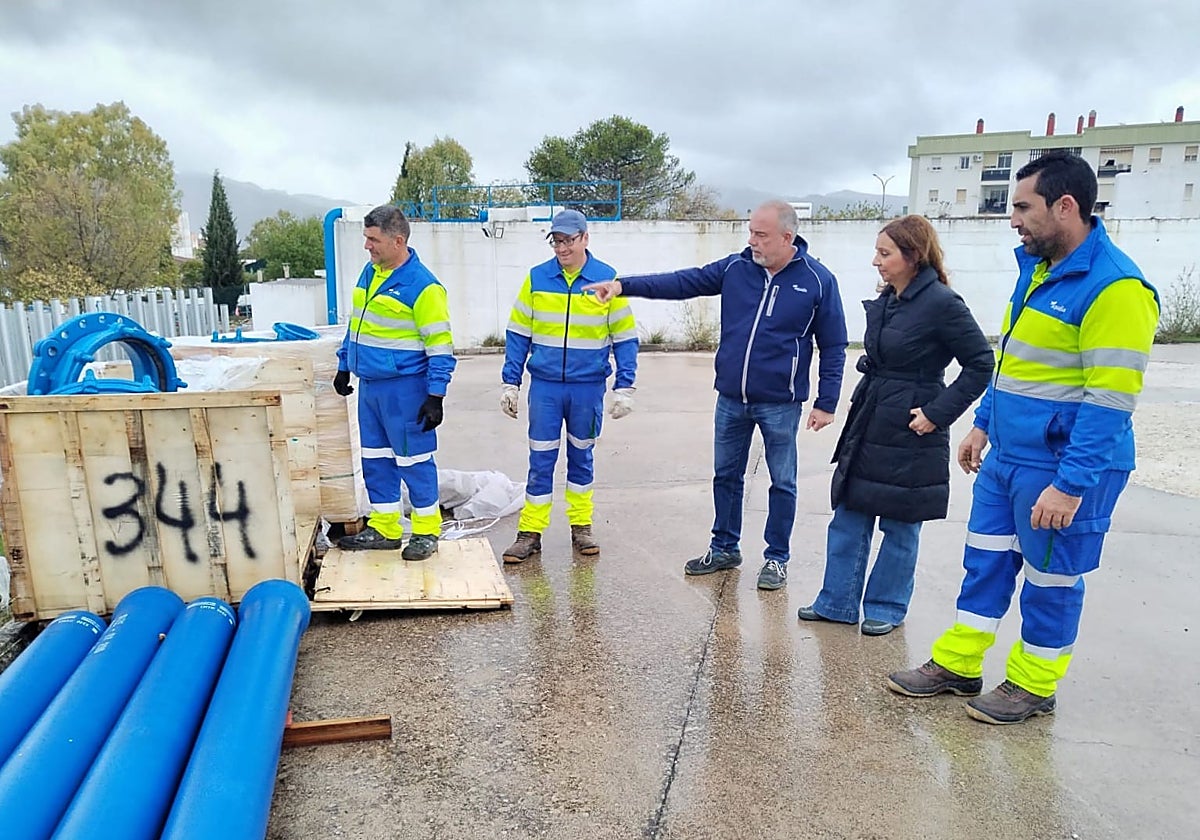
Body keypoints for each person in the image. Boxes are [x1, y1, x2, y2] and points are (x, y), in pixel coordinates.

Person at [887, 151, 1159, 724]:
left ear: (1065, 207)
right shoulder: (1037, 270)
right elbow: (1012, 362)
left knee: (1051, 578)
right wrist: (983, 423)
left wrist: (1070, 486)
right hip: (1011, 454)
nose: (1012, 219)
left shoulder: (1116, 288)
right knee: (984, 561)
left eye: (1022, 207)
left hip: (1065, 465)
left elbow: (1110, 401)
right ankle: (959, 665)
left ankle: (1034, 685)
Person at [585, 199, 848, 590]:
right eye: (751, 232)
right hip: (731, 399)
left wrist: (826, 402)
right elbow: (682, 282)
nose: (752, 241)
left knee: (783, 482)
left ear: (787, 237)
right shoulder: (736, 268)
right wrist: (623, 286)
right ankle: (724, 547)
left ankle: (776, 558)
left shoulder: (816, 280)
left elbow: (834, 344)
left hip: (781, 402)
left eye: (760, 234)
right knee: (726, 476)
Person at [797, 215, 993, 636]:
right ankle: (837, 602)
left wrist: (937, 414)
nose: (875, 261)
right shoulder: (890, 299)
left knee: (901, 523)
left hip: (912, 427)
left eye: (885, 253)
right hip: (871, 417)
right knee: (849, 513)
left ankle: (886, 606)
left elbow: (981, 364)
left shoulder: (942, 304)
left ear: (913, 256)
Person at [499, 209, 638, 563]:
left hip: (587, 389)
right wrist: (510, 382)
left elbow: (624, 338)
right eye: (556, 241)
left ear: (585, 239)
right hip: (545, 387)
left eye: (568, 241)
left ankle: (581, 526)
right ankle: (530, 532)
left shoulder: (607, 280)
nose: (561, 248)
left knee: (582, 456)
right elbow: (518, 333)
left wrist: (625, 386)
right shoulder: (536, 279)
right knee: (540, 459)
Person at [333, 204, 456, 561]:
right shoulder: (370, 274)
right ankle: (386, 528)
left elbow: (441, 346)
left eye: (373, 239)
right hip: (371, 387)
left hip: (406, 389)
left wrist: (436, 395)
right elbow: (356, 324)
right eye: (366, 238)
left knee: (415, 461)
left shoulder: (424, 287)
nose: (367, 246)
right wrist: (345, 364)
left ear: (397, 240)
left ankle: (425, 531)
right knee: (375, 460)